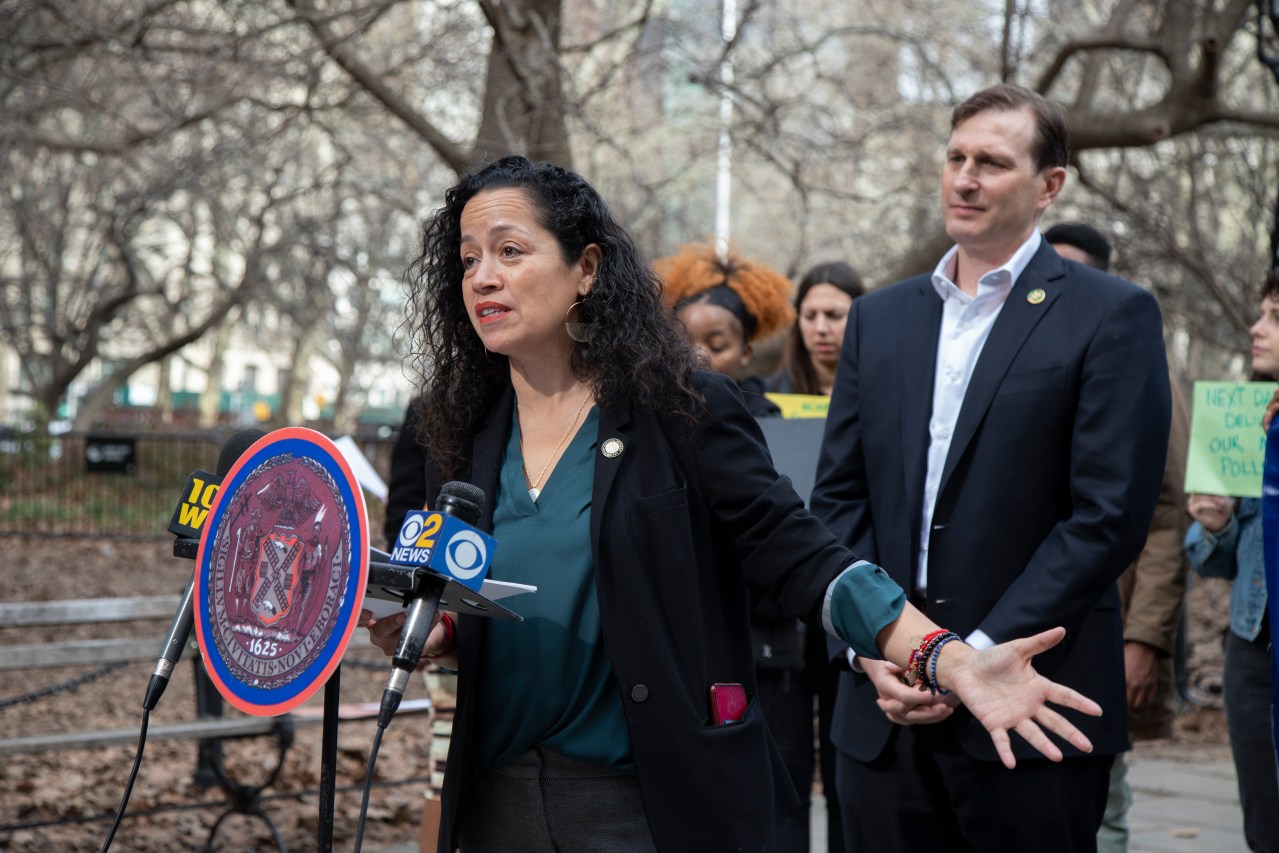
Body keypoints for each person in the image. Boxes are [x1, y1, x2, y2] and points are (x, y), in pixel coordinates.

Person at [363, 154, 1103, 853]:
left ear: (586, 268)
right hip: (495, 799)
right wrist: (438, 626)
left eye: (509, 251)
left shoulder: (679, 410)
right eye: (467, 260)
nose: (482, 277)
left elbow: (802, 552)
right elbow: (474, 586)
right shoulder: (461, 430)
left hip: (643, 801)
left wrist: (942, 655)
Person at [810, 84, 1171, 853]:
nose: (965, 178)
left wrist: (967, 656)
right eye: (955, 158)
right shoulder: (879, 317)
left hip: (1030, 707)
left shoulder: (1111, 315)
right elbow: (838, 498)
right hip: (882, 708)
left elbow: (1105, 516)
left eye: (992, 163)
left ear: (1049, 186)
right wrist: (881, 644)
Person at [658, 241, 816, 849]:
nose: (698, 355)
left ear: (748, 350)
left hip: (768, 658)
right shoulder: (642, 421)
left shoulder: (779, 422)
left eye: (717, 344)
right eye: (684, 339)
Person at [1045, 221, 1190, 853]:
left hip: (1102, 630)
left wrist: (1143, 638)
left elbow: (1164, 515)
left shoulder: (1137, 363)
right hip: (1008, 637)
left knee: (1099, 808)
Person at [765, 257, 866, 853]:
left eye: (837, 314)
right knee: (782, 769)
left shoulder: (883, 394)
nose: (822, 327)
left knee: (851, 765)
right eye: (811, 315)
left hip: (855, 597)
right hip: (781, 608)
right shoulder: (765, 400)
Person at [1185, 270, 1279, 853]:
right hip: (1254, 645)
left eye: (1274, 315)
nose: (1255, 328)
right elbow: (1216, 562)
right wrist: (1214, 525)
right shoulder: (1249, 417)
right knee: (1265, 822)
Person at [656, 241, 790, 417]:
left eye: (717, 346)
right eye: (683, 343)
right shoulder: (652, 410)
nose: (698, 355)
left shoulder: (763, 417)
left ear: (745, 353)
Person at [768, 261, 866, 397]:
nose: (820, 328)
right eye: (810, 316)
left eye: (834, 315)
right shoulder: (770, 395)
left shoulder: (887, 391)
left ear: (862, 318)